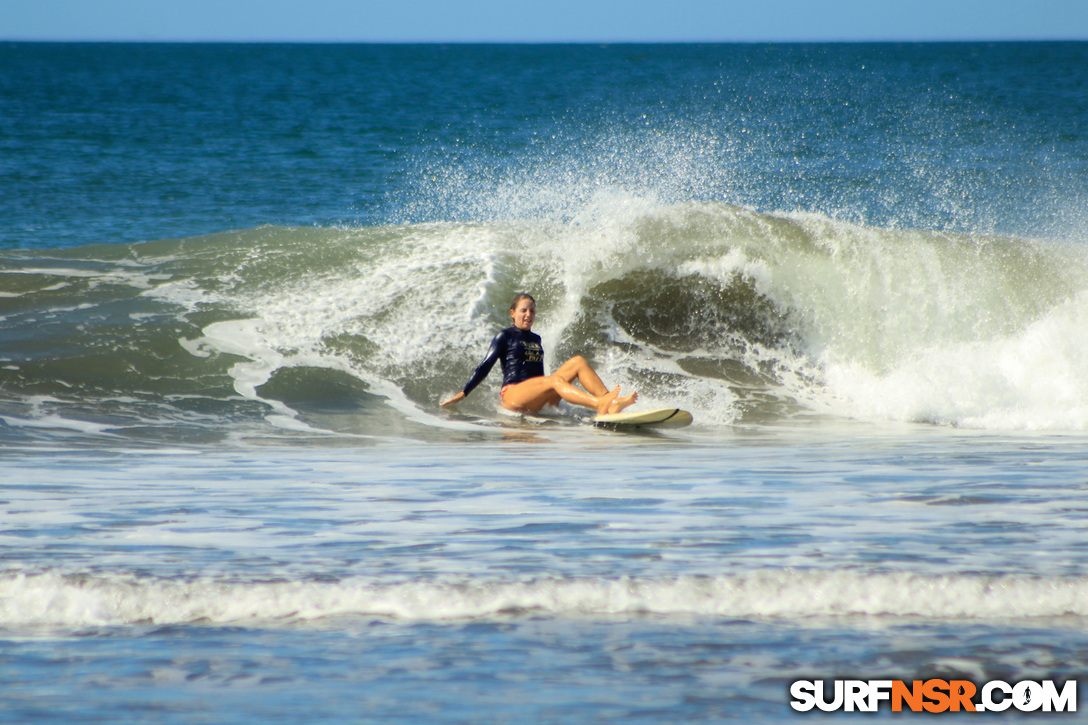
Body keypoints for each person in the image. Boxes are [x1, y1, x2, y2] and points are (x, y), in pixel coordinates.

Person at [441, 293, 638, 416]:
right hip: (514, 395)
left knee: (578, 362)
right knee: (554, 380)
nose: (528, 314)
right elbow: (485, 366)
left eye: (532, 311)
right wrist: (464, 393)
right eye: (523, 310)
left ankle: (610, 403)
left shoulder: (536, 339)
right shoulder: (505, 336)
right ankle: (599, 405)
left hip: (536, 397)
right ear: (512, 313)